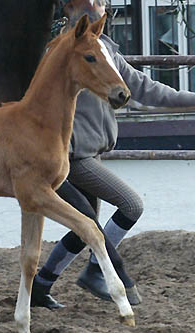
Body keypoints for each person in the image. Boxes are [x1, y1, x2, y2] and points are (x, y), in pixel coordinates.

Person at [31, 0, 195, 309]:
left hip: (90, 153)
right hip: (70, 158)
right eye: (96, 1)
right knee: (130, 205)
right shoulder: (60, 54)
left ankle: (42, 286)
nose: (102, 5)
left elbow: (148, 91)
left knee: (83, 227)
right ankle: (98, 268)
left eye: (103, 2)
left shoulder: (105, 52)